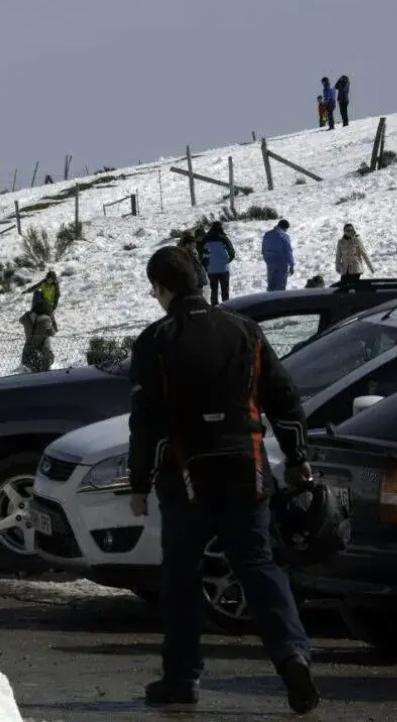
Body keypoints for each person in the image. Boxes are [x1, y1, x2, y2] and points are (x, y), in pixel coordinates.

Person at [127, 247, 320, 714]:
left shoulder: (156, 340)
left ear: (162, 288)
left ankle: (181, 678)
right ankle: (292, 655)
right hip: (244, 468)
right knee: (258, 566)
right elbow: (284, 399)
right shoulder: (244, 331)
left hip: (185, 473)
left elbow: (148, 421)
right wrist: (298, 458)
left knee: (181, 578)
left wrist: (139, 482)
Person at [19, 289, 58, 372]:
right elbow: (53, 332)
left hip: (28, 353)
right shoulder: (46, 318)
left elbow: (21, 320)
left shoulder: (27, 317)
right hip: (44, 353)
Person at [202, 221, 236, 304]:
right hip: (223, 268)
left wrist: (206, 266)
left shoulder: (206, 238)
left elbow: (203, 254)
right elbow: (232, 253)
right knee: (225, 291)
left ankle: (214, 309)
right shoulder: (224, 238)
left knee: (214, 291)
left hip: (211, 269)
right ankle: (226, 309)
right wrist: (227, 261)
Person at [260, 219, 295, 292]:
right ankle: (279, 301)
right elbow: (288, 251)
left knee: (271, 283)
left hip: (269, 260)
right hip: (280, 261)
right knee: (280, 284)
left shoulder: (267, 234)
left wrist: (266, 257)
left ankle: (269, 300)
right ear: (285, 228)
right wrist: (291, 265)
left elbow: (263, 249)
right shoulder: (284, 236)